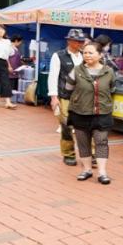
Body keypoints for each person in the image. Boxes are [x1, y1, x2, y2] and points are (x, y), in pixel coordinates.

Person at [65, 42, 116, 185]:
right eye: (85, 53)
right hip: (80, 112)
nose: (87, 55)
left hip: (102, 113)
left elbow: (112, 89)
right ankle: (87, 170)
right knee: (83, 143)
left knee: (101, 141)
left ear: (100, 55)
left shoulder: (109, 72)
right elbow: (68, 88)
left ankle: (102, 172)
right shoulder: (76, 70)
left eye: (91, 53)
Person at [48, 29, 86, 166]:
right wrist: (54, 97)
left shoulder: (85, 56)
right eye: (77, 41)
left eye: (81, 41)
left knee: (85, 126)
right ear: (69, 41)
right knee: (66, 126)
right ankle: (68, 154)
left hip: (83, 97)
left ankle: (89, 154)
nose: (80, 43)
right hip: (65, 96)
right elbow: (53, 77)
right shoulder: (58, 56)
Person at [0, 25, 16, 109]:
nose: (1, 31)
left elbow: (11, 53)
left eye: (2, 29)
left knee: (6, 82)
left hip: (3, 62)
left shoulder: (7, 41)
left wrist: (11, 46)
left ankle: (8, 102)